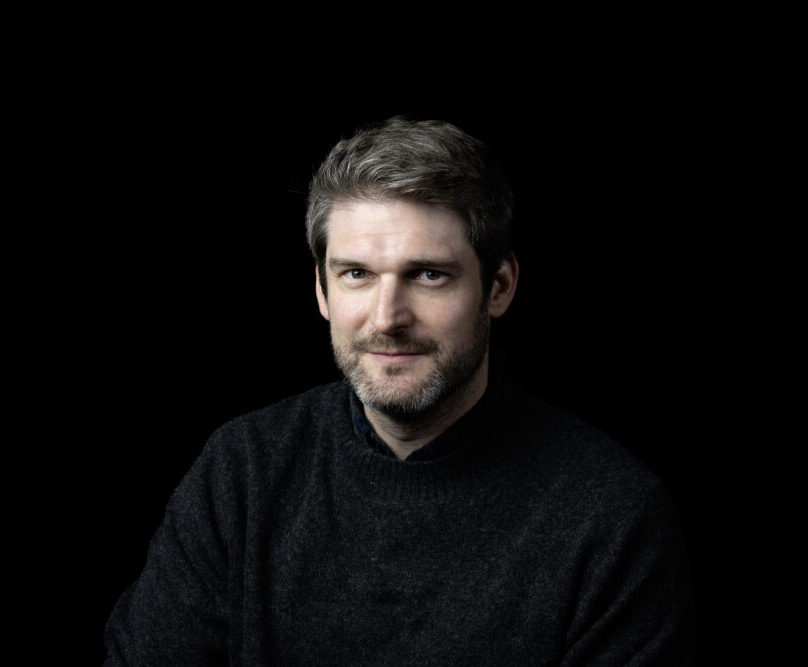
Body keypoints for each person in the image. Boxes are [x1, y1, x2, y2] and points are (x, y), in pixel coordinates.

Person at [103, 117, 696, 664]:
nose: (387, 318)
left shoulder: (612, 517)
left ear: (499, 286)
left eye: (428, 275)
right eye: (357, 274)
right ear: (322, 291)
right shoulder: (242, 473)